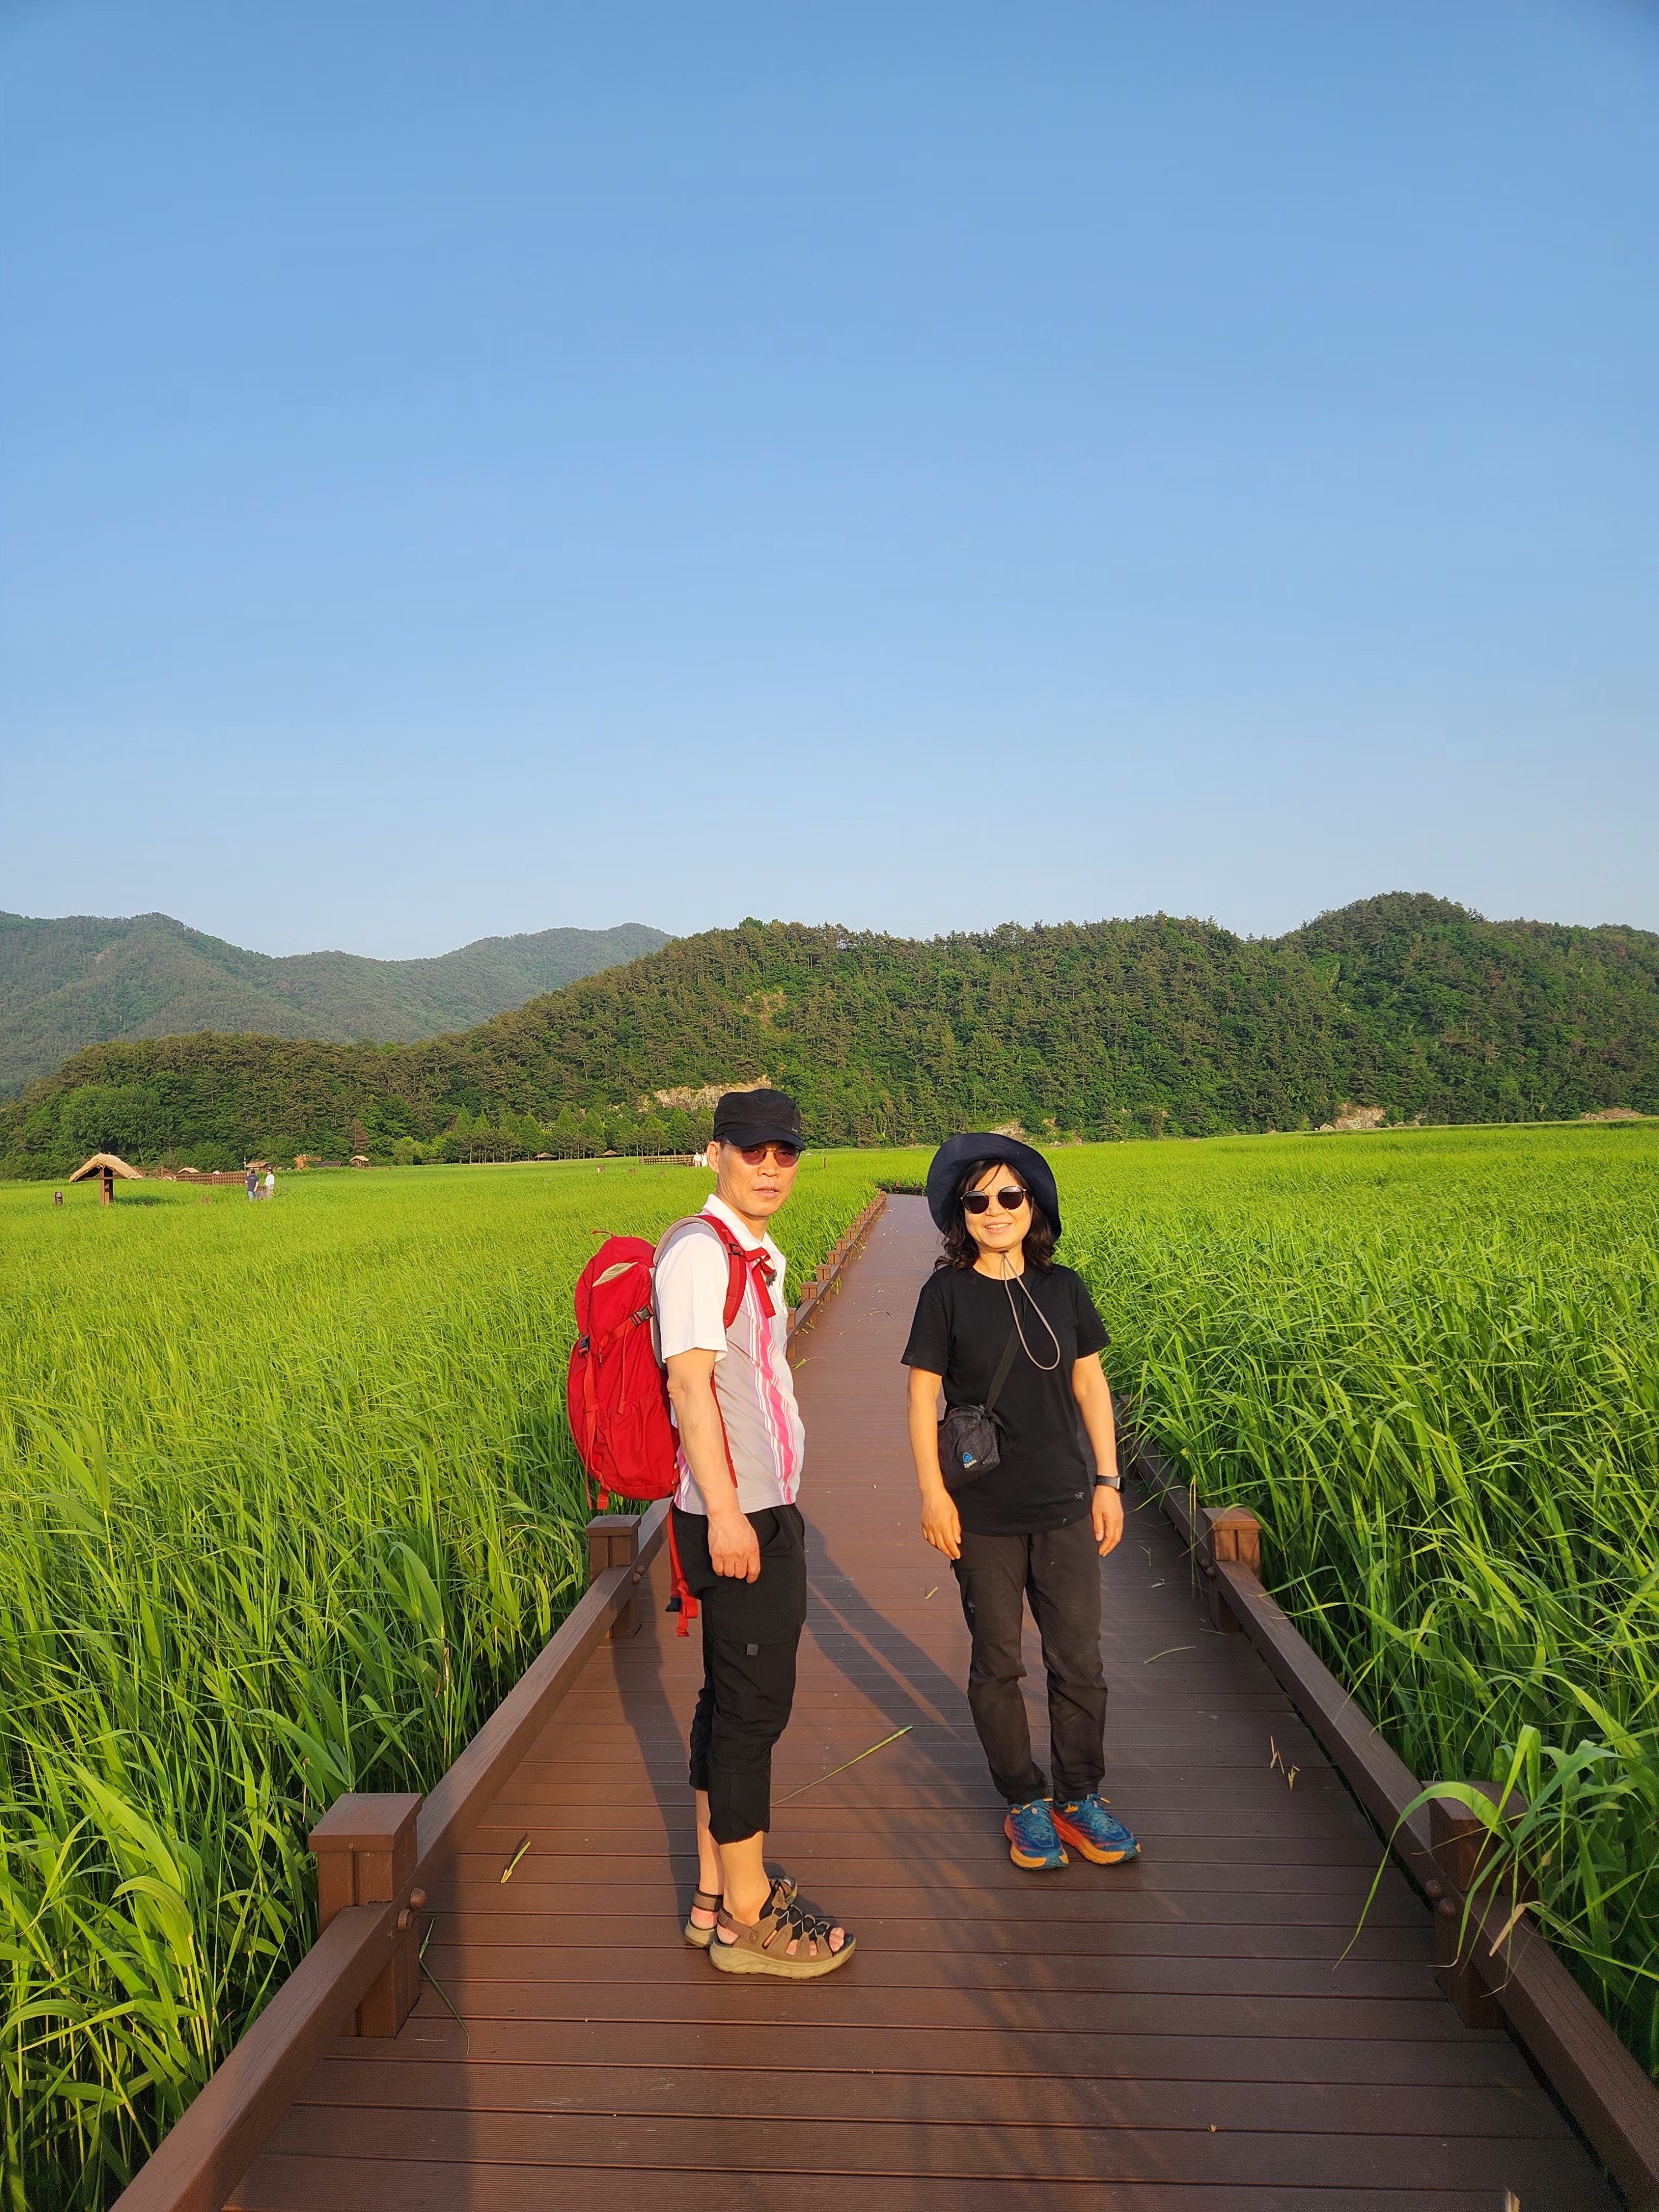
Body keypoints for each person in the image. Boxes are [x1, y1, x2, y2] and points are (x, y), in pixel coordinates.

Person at [654, 1087, 854, 1978]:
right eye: (752, 1150)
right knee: (753, 1712)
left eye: (786, 1152)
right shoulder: (702, 1252)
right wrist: (730, 1513)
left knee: (730, 1700)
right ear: (716, 1154)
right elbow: (688, 1387)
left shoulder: (750, 1252)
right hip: (737, 1516)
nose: (771, 1167)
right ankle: (746, 1912)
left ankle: (712, 1892)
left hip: (757, 1508)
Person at [901, 1134, 1139, 1872]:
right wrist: (933, 1495)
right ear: (961, 1214)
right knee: (998, 1662)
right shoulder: (945, 1293)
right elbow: (921, 1399)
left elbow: (1091, 1386)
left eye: (1010, 1196)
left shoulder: (1064, 1288)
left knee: (1080, 1662)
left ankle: (1079, 1795)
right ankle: (1023, 1800)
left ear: (1033, 1205)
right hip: (983, 1513)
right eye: (978, 1200)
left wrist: (1109, 1483)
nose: (995, 1211)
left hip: (1065, 1502)